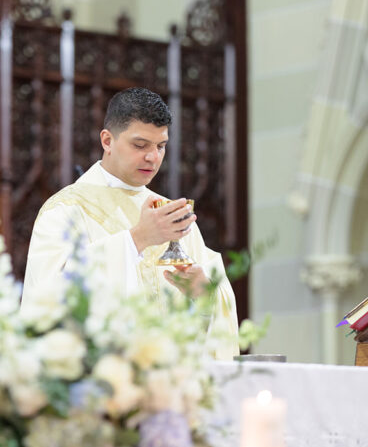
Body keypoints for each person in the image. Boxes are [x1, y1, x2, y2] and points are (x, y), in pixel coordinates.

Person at [20, 87, 239, 356]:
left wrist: (205, 295)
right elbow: (45, 302)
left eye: (161, 146)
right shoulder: (65, 211)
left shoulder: (173, 216)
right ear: (107, 140)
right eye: (140, 145)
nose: (153, 157)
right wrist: (136, 240)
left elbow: (210, 319)